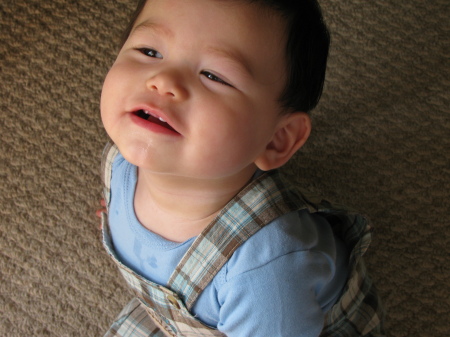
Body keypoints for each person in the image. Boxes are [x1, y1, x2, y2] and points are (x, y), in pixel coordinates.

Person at [97, 0, 385, 336]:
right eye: (149, 51)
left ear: (276, 140)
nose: (163, 80)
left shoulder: (265, 272)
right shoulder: (120, 160)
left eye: (213, 75)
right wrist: (114, 208)